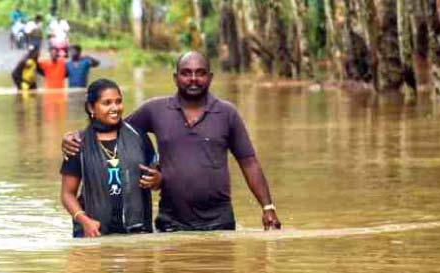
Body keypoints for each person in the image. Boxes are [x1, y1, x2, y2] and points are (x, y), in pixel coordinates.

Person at [62, 51, 281, 232]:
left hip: (220, 219)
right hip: (171, 222)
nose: (193, 79)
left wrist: (267, 206)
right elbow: (112, 127)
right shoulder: (154, 110)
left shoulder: (227, 113)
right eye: (186, 73)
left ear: (210, 78)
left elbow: (249, 162)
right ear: (175, 78)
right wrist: (74, 137)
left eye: (200, 73)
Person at [60, 79, 161, 238]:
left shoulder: (139, 137)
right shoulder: (77, 143)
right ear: (91, 107)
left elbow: (156, 180)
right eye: (107, 103)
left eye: (118, 102)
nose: (115, 108)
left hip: (137, 234)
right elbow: (67, 194)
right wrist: (85, 221)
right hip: (94, 233)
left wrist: (157, 181)